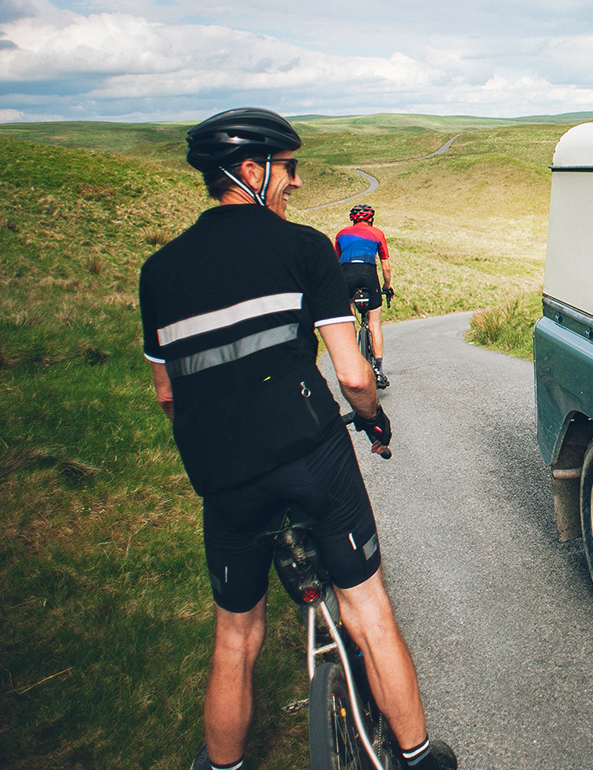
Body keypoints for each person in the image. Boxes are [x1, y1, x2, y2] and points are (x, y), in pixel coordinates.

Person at [137, 108, 454, 770]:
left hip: (221, 475)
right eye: (289, 168)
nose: (297, 183)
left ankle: (222, 768)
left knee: (235, 636)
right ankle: (419, 756)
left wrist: (217, 448)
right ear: (250, 173)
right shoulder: (303, 248)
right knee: (368, 609)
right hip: (310, 455)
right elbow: (351, 373)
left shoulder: (158, 272)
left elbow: (169, 394)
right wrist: (372, 420)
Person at [335, 204, 394, 388]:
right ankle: (378, 370)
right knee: (374, 322)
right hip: (368, 273)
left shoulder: (341, 234)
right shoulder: (377, 233)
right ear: (370, 219)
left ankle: (352, 361)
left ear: (353, 219)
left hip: (346, 274)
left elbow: (335, 262)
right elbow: (386, 267)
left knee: (349, 317)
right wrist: (387, 287)